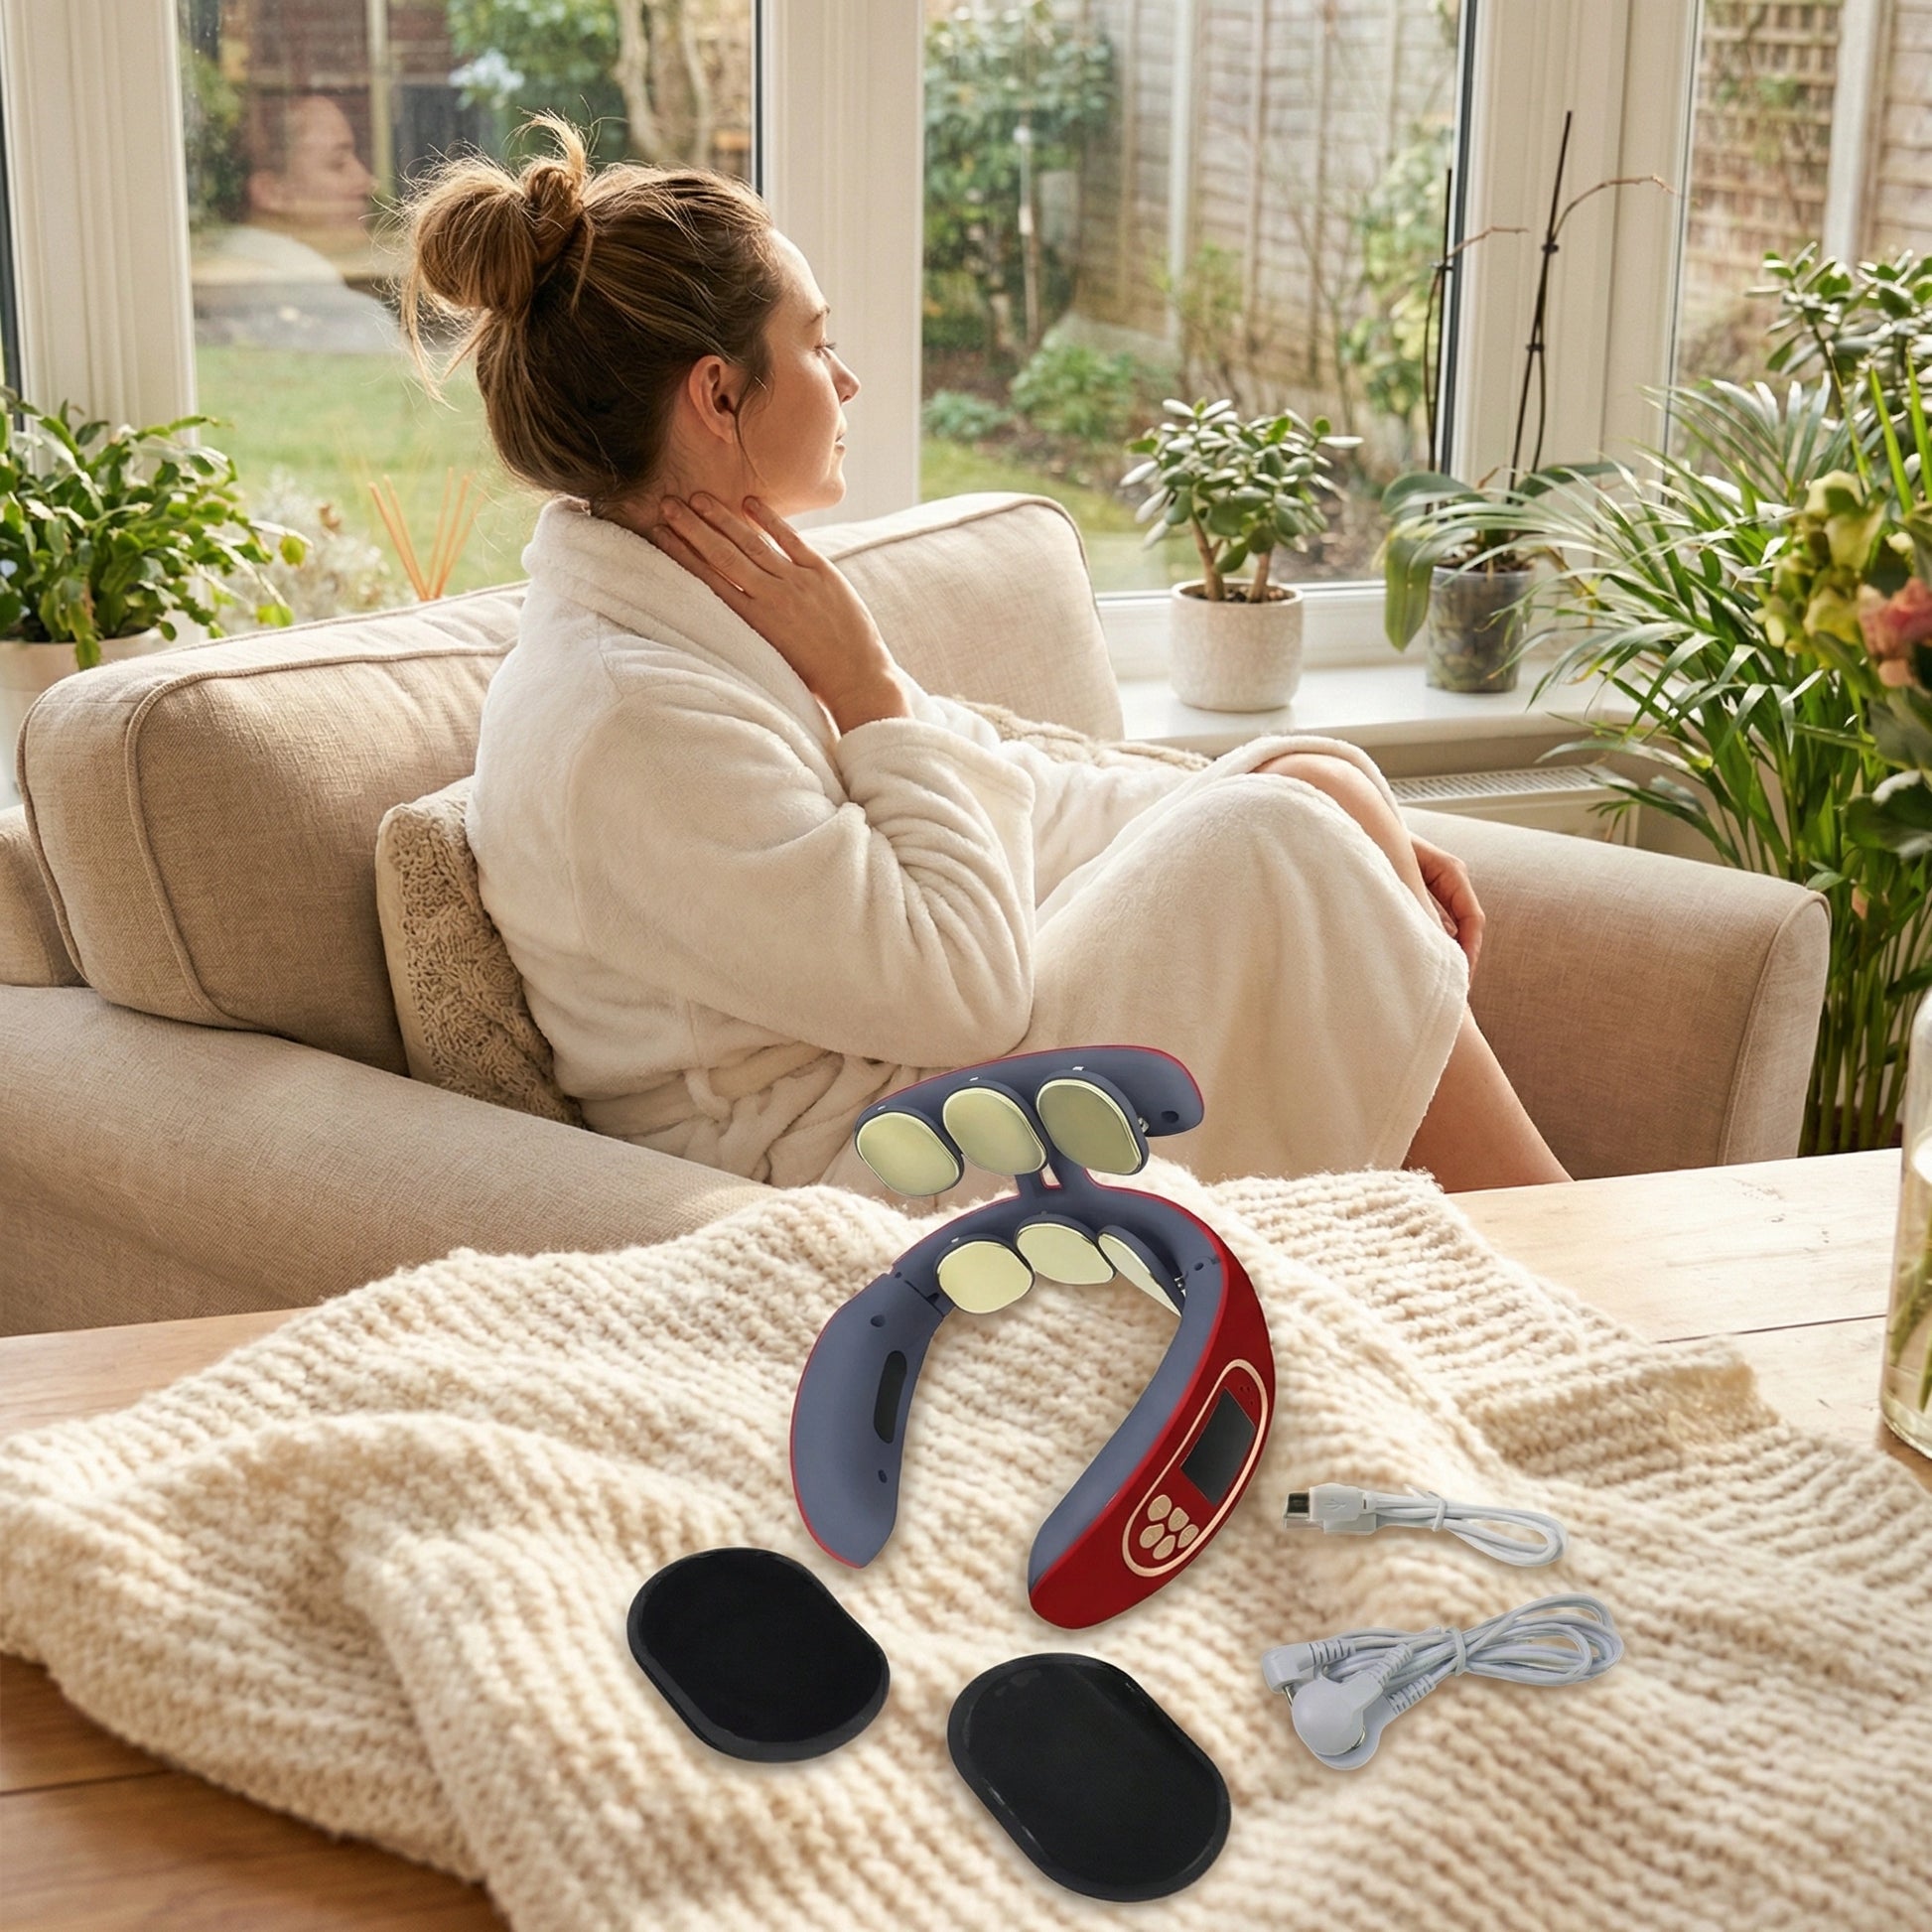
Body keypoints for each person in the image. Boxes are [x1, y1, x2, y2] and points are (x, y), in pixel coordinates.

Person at [400, 118, 1569, 1204]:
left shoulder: (721, 612)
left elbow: (1018, 799)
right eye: (815, 343)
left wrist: (1307, 787)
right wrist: (867, 689)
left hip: (925, 1076)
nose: (846, 380)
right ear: (716, 393)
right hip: (856, 1172)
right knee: (1273, 841)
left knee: (1300, 796)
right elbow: (965, 992)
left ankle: (1539, 1238)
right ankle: (1570, 1241)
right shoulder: (631, 722)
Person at [194, 93, 398, 355]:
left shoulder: (217, 285)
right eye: (337, 164)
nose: (367, 182)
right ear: (270, 192)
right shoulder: (344, 318)